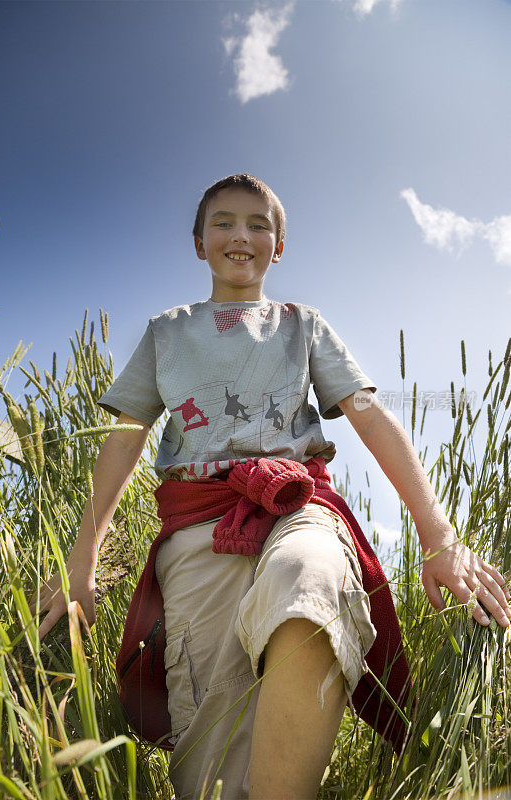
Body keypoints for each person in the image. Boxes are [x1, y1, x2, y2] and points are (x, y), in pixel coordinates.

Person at [29, 174, 511, 800]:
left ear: (278, 246)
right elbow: (124, 441)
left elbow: (369, 414)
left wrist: (438, 537)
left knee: (310, 576)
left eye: (260, 224)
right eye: (224, 221)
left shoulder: (302, 325)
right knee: (213, 771)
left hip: (295, 505)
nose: (242, 235)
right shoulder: (165, 332)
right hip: (198, 526)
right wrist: (82, 565)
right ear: (198, 241)